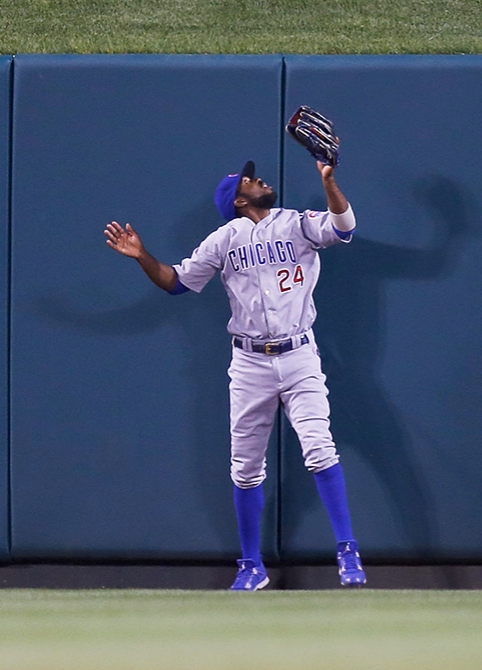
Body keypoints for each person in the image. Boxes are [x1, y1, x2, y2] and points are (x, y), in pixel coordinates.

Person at [104, 157, 365, 590]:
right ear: (239, 199)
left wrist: (330, 181)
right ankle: (251, 565)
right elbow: (176, 282)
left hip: (300, 354)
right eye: (250, 180)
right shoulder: (223, 240)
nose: (261, 180)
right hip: (250, 363)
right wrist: (142, 256)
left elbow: (344, 225)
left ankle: (348, 552)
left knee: (320, 448)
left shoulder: (296, 223)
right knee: (245, 468)